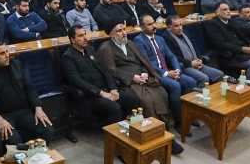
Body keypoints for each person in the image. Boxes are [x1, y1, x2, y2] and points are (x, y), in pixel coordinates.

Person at [96, 19, 183, 154]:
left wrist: (144, 73)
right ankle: (157, 136)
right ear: (112, 35)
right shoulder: (106, 48)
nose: (123, 33)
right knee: (146, 101)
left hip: (143, 79)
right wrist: (132, 77)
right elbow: (110, 70)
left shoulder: (130, 43)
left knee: (161, 94)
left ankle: (163, 132)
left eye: (124, 29)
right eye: (119, 31)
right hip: (127, 83)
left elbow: (143, 61)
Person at [0, 42, 54, 145]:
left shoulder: (16, 64)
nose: (7, 56)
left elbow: (29, 88)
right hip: (1, 115)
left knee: (47, 130)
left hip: (23, 111)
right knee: (13, 141)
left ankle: (38, 154)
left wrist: (38, 108)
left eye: (7, 51)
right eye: (2, 53)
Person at [61, 25, 141, 124]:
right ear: (72, 40)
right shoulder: (68, 57)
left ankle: (133, 128)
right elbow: (77, 81)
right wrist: (101, 93)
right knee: (114, 108)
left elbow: (105, 70)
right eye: (81, 36)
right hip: (91, 96)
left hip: (106, 89)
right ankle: (115, 133)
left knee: (134, 100)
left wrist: (113, 89)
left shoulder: (90, 50)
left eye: (85, 34)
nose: (85, 38)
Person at [134, 15, 198, 134]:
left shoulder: (160, 39)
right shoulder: (139, 41)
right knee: (175, 86)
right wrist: (167, 73)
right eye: (149, 24)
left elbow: (171, 56)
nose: (154, 26)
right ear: (142, 27)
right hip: (155, 74)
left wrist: (177, 70)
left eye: (153, 23)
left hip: (168, 71)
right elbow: (147, 63)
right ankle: (179, 122)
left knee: (191, 82)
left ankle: (188, 116)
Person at [206, 2, 250, 88]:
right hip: (230, 56)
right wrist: (242, 49)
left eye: (229, 9)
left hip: (243, 53)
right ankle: (244, 88)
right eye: (225, 9)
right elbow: (220, 44)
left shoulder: (231, 21)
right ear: (217, 12)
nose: (228, 11)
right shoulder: (213, 25)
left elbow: (242, 36)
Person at [162, 15, 224, 87]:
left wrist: (199, 59)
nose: (180, 28)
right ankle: (199, 94)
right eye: (176, 26)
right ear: (169, 27)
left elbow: (194, 48)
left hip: (195, 62)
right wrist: (191, 63)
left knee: (220, 74)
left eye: (180, 25)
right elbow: (173, 57)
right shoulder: (165, 38)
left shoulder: (184, 33)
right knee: (204, 78)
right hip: (184, 66)